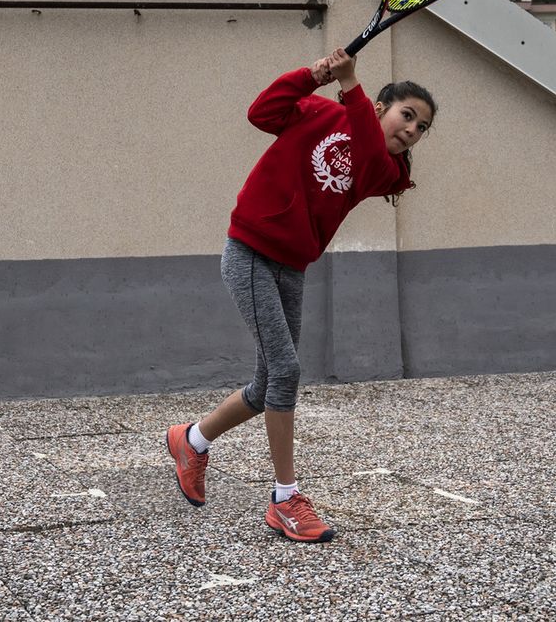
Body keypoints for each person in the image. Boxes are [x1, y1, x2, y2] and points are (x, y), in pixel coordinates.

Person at [165, 47, 435, 542]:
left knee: (269, 379)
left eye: (422, 128)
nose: (413, 130)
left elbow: (367, 151)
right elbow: (261, 113)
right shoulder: (323, 111)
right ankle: (285, 498)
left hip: (291, 265)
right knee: (286, 370)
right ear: (381, 107)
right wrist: (310, 76)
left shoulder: (388, 172)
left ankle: (192, 439)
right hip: (249, 249)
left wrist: (350, 85)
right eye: (408, 115)